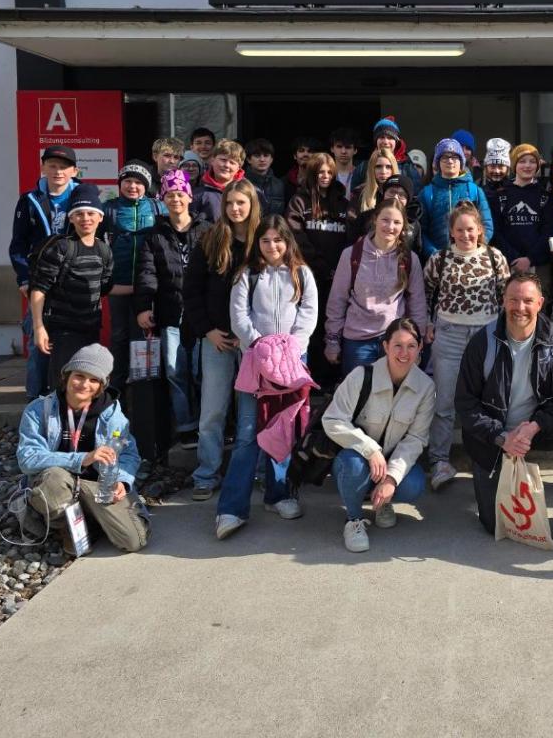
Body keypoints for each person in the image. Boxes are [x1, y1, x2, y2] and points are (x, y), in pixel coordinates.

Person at [455, 271, 553, 557]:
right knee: (494, 524)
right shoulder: (482, 342)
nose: (519, 307)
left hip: (537, 430)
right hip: (493, 438)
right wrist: (502, 437)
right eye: (513, 300)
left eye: (527, 301)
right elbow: (465, 404)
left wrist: (534, 426)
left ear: (540, 303)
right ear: (503, 301)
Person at [216, 216, 319, 538]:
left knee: (283, 429)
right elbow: (239, 317)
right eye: (265, 240)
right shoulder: (247, 274)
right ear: (257, 243)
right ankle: (231, 508)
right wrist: (260, 345)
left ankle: (279, 494)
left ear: (287, 241)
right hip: (256, 361)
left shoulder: (301, 273)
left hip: (291, 362)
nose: (272, 246)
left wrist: (291, 348)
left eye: (278, 240)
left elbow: (308, 314)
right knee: (248, 432)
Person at [16, 344, 149, 554]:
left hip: (95, 485)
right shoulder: (39, 410)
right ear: (66, 376)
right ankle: (65, 527)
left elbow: (129, 454)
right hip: (57, 482)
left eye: (94, 380)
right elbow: (27, 458)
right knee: (54, 478)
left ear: (102, 385)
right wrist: (83, 458)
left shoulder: (112, 414)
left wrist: (122, 481)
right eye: (79, 376)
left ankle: (90, 519)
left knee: (133, 541)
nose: (85, 384)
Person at [323, 318, 435, 553]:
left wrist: (391, 478)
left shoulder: (425, 387)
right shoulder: (361, 375)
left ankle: (383, 502)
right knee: (353, 467)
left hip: (391, 461)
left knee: (414, 484)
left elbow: (416, 439)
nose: (404, 353)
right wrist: (370, 450)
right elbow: (332, 420)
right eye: (397, 345)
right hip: (356, 458)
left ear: (419, 348)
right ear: (385, 346)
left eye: (411, 346)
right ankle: (354, 519)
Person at [423, 201, 511, 491]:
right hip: (449, 335)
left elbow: (506, 296)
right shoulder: (439, 258)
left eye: (470, 229)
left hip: (487, 335)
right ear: (451, 232)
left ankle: (487, 459)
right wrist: (428, 323)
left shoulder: (494, 257)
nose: (465, 235)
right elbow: (426, 292)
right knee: (444, 402)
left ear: (480, 230)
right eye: (459, 230)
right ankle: (439, 461)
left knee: (488, 402)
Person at [183, 179, 260, 501]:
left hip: (252, 344)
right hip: (217, 339)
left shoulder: (263, 242)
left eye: (241, 202)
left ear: (252, 204)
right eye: (229, 203)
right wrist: (208, 330)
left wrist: (254, 337)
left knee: (249, 415)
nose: (235, 208)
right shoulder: (211, 239)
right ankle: (206, 473)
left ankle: (249, 471)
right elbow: (191, 291)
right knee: (212, 411)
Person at [135, 169, 211, 454]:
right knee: (175, 372)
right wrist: (144, 306)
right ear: (162, 199)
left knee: (202, 372)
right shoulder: (154, 235)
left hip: (203, 314)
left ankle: (208, 424)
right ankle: (187, 426)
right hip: (171, 312)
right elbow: (147, 273)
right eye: (169, 195)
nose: (175, 199)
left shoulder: (207, 230)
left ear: (189, 196)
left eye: (180, 194)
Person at [324, 198, 429, 376]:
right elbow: (337, 300)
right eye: (385, 220)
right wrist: (332, 340)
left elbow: (417, 303)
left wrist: (417, 343)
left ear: (403, 226)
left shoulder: (410, 259)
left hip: (396, 340)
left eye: (397, 222)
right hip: (357, 342)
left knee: (392, 392)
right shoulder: (351, 255)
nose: (390, 227)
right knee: (359, 392)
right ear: (375, 220)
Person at [29, 183, 114, 393]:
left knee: (87, 387)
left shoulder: (104, 251)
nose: (86, 218)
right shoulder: (61, 248)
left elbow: (104, 288)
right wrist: (39, 328)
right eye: (79, 214)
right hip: (63, 331)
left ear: (100, 217)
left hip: (91, 329)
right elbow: (39, 289)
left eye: (91, 213)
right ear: (71, 218)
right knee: (62, 385)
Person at [10, 144, 80, 399]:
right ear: (43, 168)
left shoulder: (83, 196)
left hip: (74, 281)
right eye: (52, 166)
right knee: (39, 341)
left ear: (74, 171)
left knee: (72, 341)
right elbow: (18, 245)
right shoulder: (29, 200)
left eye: (64, 167)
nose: (58, 172)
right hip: (39, 281)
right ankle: (35, 400)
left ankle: (68, 399)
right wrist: (24, 278)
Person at [287, 152, 350, 381]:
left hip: (338, 277)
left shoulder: (343, 203)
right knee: (309, 327)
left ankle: (333, 380)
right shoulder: (299, 201)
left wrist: (338, 270)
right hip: (308, 277)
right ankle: (309, 378)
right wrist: (321, 266)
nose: (325, 176)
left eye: (329, 172)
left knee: (333, 328)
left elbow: (350, 238)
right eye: (320, 172)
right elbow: (296, 237)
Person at [102, 161, 163, 396]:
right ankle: (116, 389)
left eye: (138, 182)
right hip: (118, 285)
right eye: (127, 181)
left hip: (148, 287)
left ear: (146, 185)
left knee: (146, 336)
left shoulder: (158, 208)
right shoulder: (108, 209)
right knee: (119, 335)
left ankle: (144, 391)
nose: (132, 186)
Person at [489, 142, 553, 283]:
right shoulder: (501, 195)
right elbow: (496, 231)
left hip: (538, 265)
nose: (527, 165)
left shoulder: (545, 196)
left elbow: (548, 231)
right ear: (514, 165)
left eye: (532, 161)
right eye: (522, 161)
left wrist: (530, 259)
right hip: (507, 264)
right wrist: (513, 258)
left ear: (538, 166)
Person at [417, 137, 495, 257]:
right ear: (438, 162)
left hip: (471, 258)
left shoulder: (475, 191)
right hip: (438, 261)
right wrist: (434, 254)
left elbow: (487, 225)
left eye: (454, 157)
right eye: (445, 157)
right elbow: (421, 231)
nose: (450, 161)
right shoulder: (427, 193)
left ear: (461, 161)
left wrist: (475, 249)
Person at [355, 115, 424, 194]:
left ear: (396, 141)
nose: (385, 141)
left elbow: (416, 197)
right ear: (376, 141)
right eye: (382, 137)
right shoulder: (362, 168)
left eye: (390, 138)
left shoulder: (408, 169)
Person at [190, 139, 247, 223]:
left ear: (239, 168)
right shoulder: (198, 193)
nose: (227, 165)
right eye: (223, 160)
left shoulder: (249, 192)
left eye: (232, 162)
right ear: (212, 160)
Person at [347, 148, 398, 238]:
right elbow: (351, 227)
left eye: (388, 167)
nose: (383, 171)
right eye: (378, 166)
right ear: (371, 169)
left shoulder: (401, 193)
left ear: (394, 168)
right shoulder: (359, 193)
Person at [244, 138, 287, 216]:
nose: (262, 159)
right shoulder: (241, 183)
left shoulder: (279, 184)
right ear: (248, 159)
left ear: (271, 159)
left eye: (266, 155)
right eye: (257, 156)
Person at [329, 127, 361, 196]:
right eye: (339, 146)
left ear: (355, 150)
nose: (343, 151)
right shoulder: (326, 175)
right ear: (332, 149)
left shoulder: (361, 176)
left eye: (348, 147)